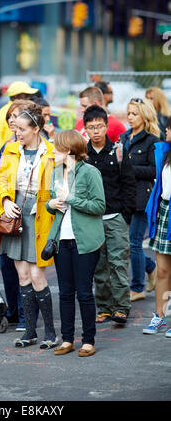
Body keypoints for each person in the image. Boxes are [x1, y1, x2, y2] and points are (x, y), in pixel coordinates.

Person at [0, 105, 58, 349]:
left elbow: (59, 184)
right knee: (22, 275)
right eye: (15, 129)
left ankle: (50, 333)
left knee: (37, 275)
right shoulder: (11, 149)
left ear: (36, 129)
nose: (17, 133)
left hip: (41, 216)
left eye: (22, 129)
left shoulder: (51, 151)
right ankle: (29, 332)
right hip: (14, 216)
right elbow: (2, 179)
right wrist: (5, 201)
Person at [45, 129, 106, 357]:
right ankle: (67, 339)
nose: (52, 151)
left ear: (68, 150)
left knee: (84, 293)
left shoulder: (90, 172)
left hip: (85, 241)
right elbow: (50, 204)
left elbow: (99, 206)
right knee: (65, 293)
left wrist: (71, 199)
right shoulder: (56, 172)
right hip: (61, 240)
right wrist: (51, 204)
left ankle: (88, 340)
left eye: (56, 147)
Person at [84, 105, 136, 325]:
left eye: (99, 126)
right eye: (91, 127)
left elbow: (129, 184)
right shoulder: (82, 154)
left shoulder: (119, 151)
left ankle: (121, 308)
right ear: (85, 129)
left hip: (115, 217)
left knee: (118, 264)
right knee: (98, 267)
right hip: (91, 219)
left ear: (107, 126)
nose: (96, 131)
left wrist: (126, 215)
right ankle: (104, 307)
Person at [0, 99, 38, 331]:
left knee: (27, 267)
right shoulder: (6, 147)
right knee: (6, 264)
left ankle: (25, 313)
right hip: (6, 213)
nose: (11, 120)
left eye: (17, 115)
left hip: (29, 214)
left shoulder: (41, 148)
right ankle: (13, 311)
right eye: (10, 115)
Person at [120, 98, 160, 302]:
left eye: (134, 113)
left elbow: (155, 170)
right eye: (128, 113)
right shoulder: (124, 137)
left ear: (144, 116)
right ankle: (151, 268)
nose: (129, 117)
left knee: (134, 242)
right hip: (123, 197)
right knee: (126, 244)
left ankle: (137, 287)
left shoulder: (152, 141)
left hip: (142, 198)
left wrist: (128, 168)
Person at [143, 117, 171, 337]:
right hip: (164, 211)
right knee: (162, 271)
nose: (166, 131)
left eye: (169, 128)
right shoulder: (163, 152)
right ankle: (160, 316)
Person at [0, 81, 38, 166]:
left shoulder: (6, 109)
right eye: (26, 95)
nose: (29, 97)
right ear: (16, 96)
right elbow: (13, 139)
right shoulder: (14, 112)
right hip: (0, 159)